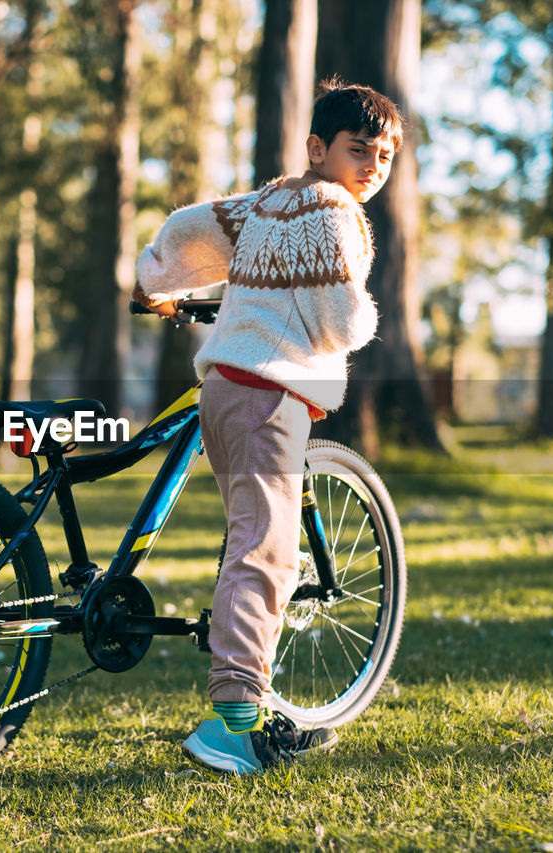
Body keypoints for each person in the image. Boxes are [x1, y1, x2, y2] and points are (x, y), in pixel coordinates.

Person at [133, 78, 404, 774]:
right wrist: (366, 325)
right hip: (270, 394)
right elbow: (342, 317)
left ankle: (243, 703)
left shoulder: (271, 199)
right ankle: (235, 719)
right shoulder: (333, 209)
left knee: (251, 536)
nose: (373, 165)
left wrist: (155, 280)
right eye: (359, 150)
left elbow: (196, 225)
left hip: (224, 388)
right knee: (269, 551)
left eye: (385, 155)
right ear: (319, 149)